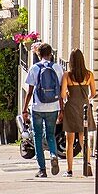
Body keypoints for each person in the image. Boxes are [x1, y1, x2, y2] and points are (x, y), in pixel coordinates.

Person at [21, 44, 63, 177]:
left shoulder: (34, 68)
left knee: (37, 137)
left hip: (37, 107)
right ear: (51, 54)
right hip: (53, 107)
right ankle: (53, 154)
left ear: (39, 55)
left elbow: (30, 91)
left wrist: (24, 109)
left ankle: (42, 169)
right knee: (51, 135)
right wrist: (61, 109)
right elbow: (60, 91)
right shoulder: (57, 68)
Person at [60, 49, 97, 178]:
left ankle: (69, 170)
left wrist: (69, 94)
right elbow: (93, 92)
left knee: (69, 141)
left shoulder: (67, 75)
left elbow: (63, 94)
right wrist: (86, 98)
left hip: (71, 108)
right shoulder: (89, 75)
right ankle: (87, 165)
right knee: (83, 139)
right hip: (84, 107)